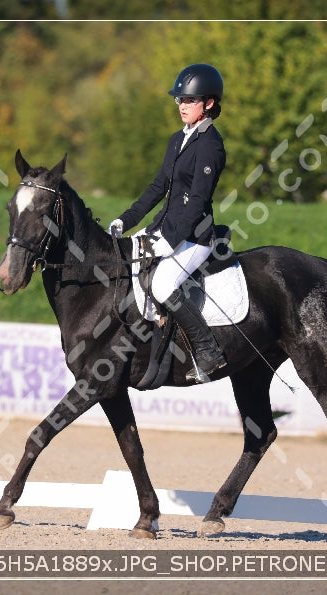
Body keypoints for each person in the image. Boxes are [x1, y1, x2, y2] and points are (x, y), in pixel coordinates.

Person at [108, 63, 228, 383]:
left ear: (209, 103)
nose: (182, 106)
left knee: (163, 285)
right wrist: (126, 219)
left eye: (189, 101)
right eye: (179, 100)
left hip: (195, 237)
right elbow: (158, 187)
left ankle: (207, 352)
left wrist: (170, 241)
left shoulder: (211, 145)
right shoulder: (178, 140)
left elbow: (198, 201)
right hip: (166, 228)